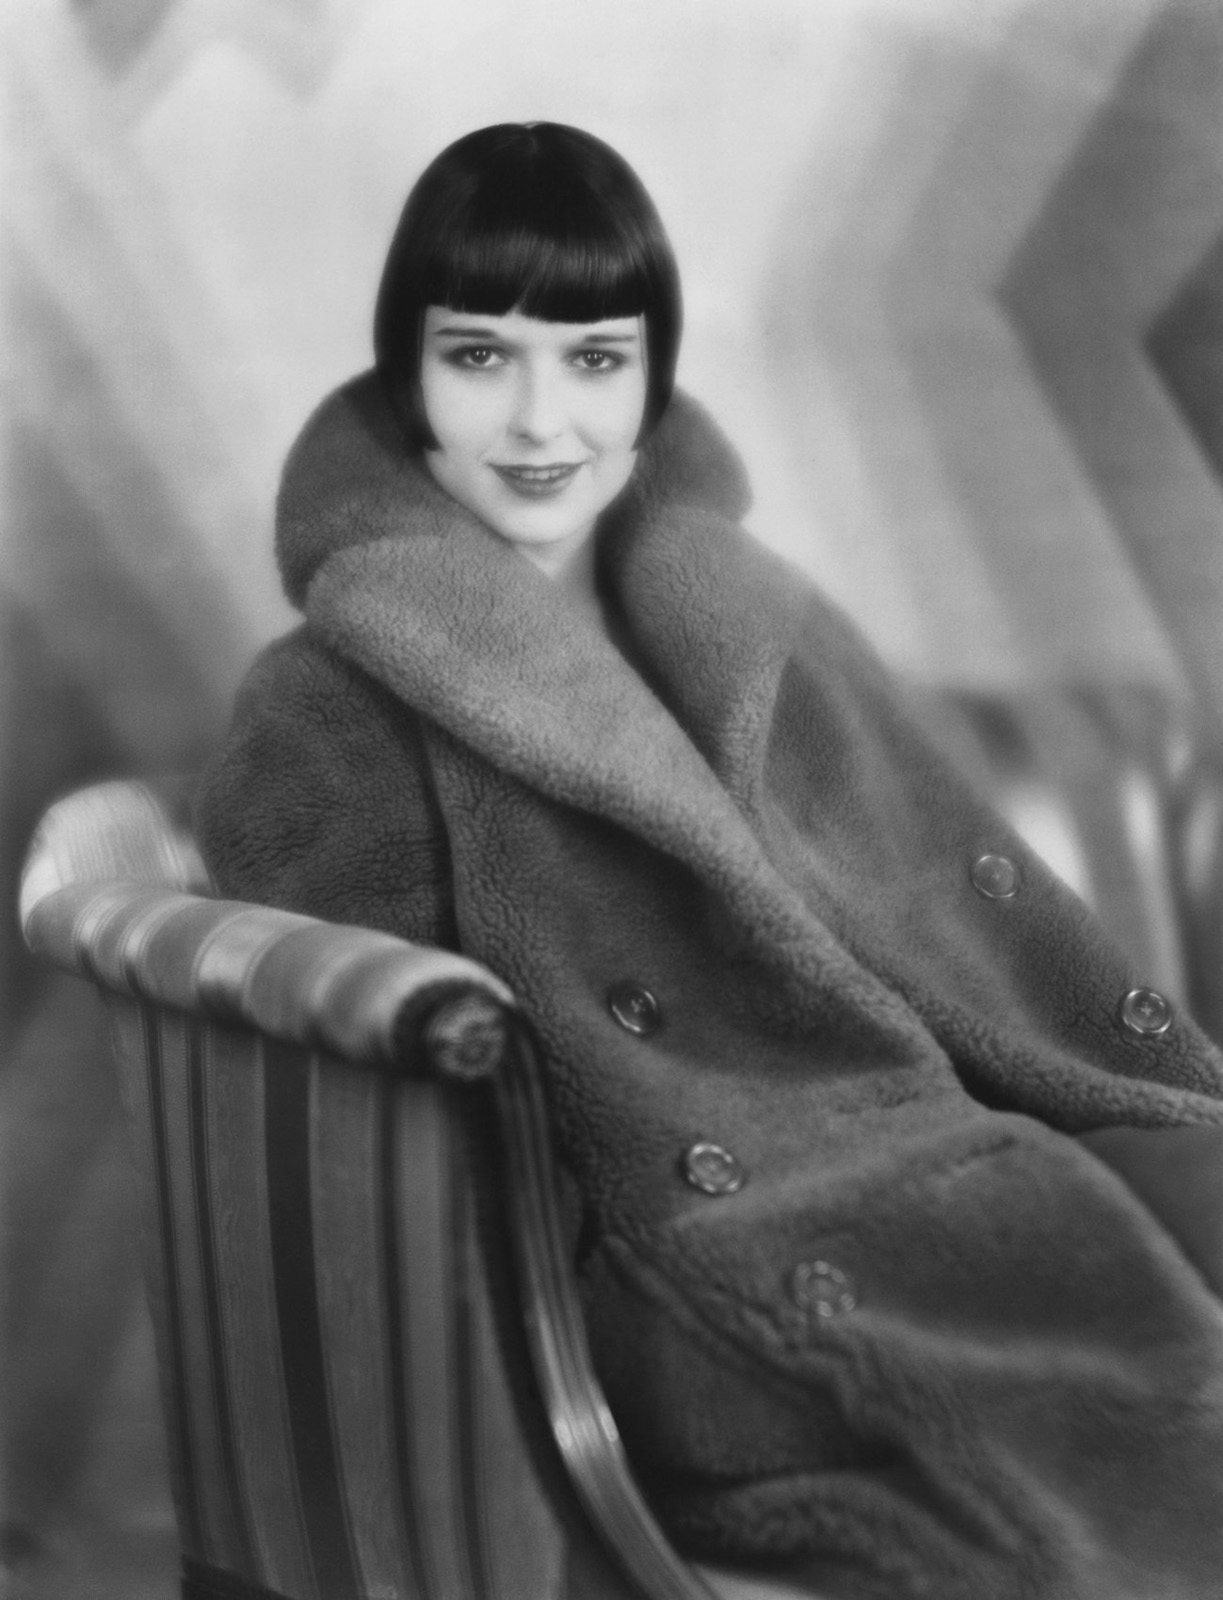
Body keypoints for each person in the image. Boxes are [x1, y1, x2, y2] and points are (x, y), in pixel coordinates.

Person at [197, 122, 1223, 1599]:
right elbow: (369, 1115)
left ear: (652, 378)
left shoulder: (750, 610)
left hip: (935, 1137)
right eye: (480, 356)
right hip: (685, 1242)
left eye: (594, 359)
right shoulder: (330, 695)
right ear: (411, 377)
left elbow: (943, 900)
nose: (541, 419)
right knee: (1112, 1468)